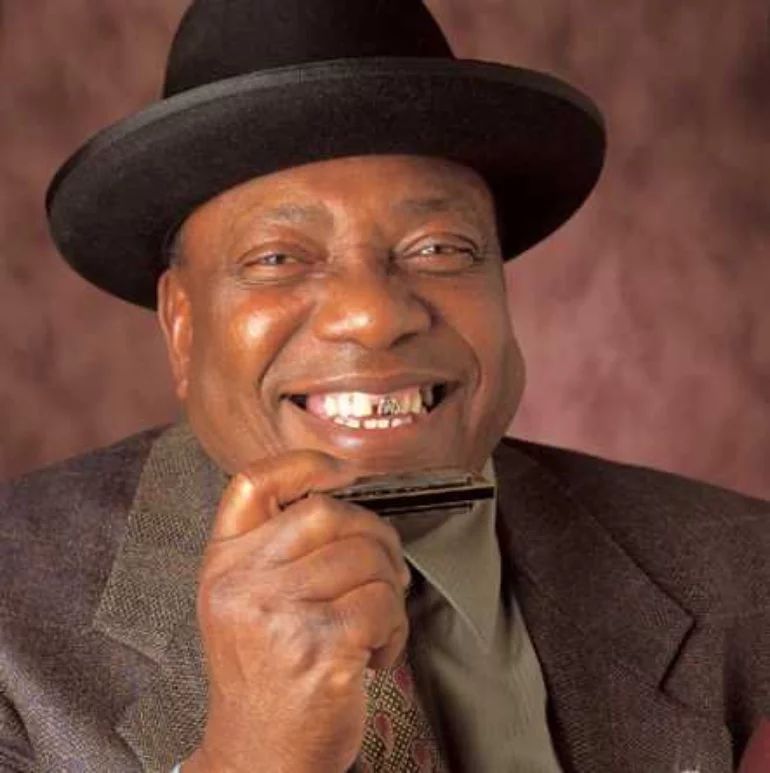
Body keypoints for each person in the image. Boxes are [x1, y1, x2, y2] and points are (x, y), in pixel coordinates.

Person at [1, 0, 768, 771]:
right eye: (278, 258)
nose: (372, 315)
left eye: (439, 247)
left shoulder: (748, 576)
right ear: (182, 324)